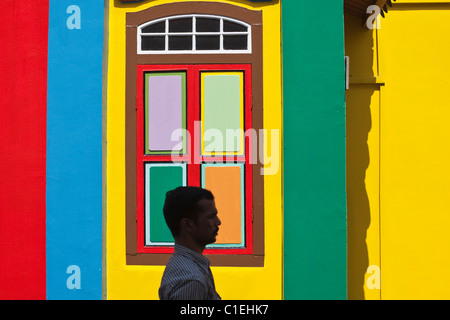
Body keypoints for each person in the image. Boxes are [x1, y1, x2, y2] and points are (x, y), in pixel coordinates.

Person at [159, 186, 222, 300]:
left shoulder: (185, 264)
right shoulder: (191, 280)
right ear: (188, 224)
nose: (218, 222)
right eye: (211, 217)